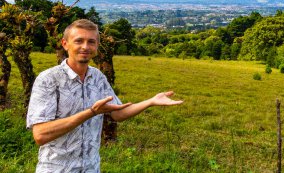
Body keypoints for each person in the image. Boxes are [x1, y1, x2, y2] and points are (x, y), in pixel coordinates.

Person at [26, 19, 183, 172]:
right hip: (57, 168)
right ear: (65, 44)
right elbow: (40, 134)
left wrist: (151, 101)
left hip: (91, 167)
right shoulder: (49, 79)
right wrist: (91, 112)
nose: (85, 47)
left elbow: (118, 113)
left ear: (97, 46)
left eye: (91, 42)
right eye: (79, 41)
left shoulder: (97, 77)